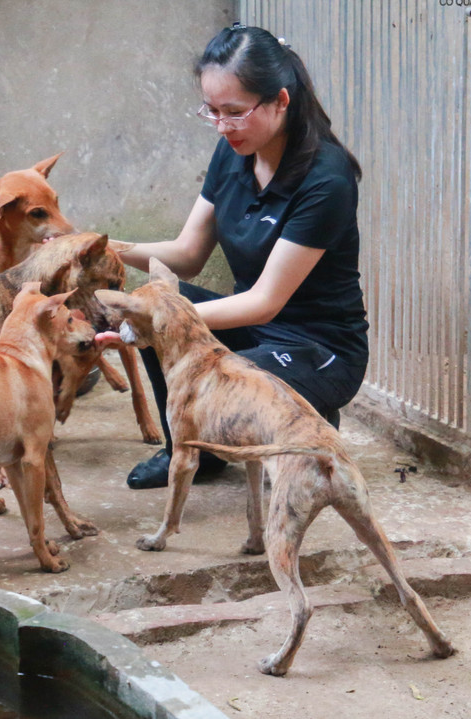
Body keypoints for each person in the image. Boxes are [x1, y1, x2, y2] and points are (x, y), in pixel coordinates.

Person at [115, 23, 369, 490]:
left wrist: (161, 317)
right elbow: (187, 255)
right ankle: (190, 451)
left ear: (280, 101)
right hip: (255, 330)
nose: (221, 125)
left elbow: (265, 301)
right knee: (158, 299)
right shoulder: (232, 151)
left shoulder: (325, 179)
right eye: (211, 111)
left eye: (234, 112)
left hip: (317, 347)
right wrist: (107, 246)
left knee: (180, 330)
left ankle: (314, 412)